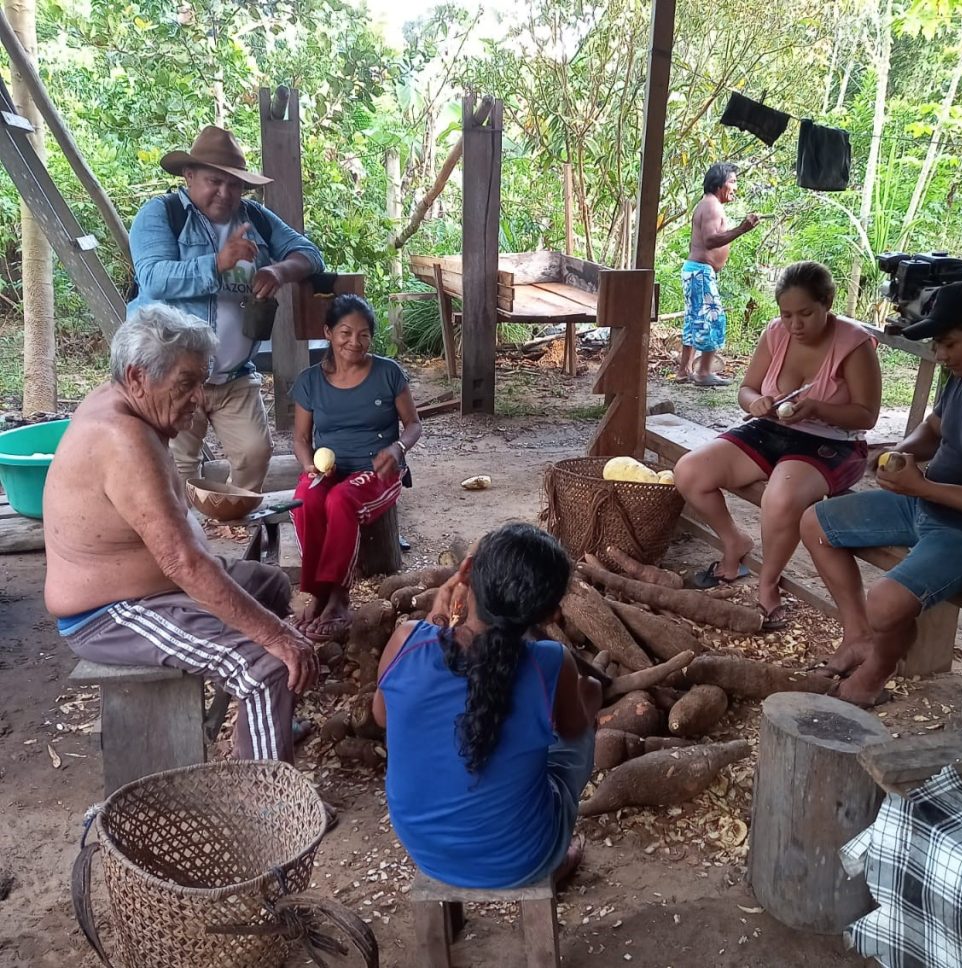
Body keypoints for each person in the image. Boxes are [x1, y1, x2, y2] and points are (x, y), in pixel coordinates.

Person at [43, 304, 318, 762]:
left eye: (201, 382)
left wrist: (267, 623)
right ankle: (270, 808)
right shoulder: (122, 440)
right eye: (186, 384)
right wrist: (274, 636)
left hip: (157, 586)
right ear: (137, 377)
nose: (198, 398)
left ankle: (265, 728)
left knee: (268, 584)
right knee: (266, 663)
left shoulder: (128, 402)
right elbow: (182, 563)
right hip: (111, 612)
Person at [801, 279, 962, 707]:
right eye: (938, 345)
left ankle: (876, 672)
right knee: (815, 523)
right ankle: (859, 637)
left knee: (885, 604)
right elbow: (934, 429)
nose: (940, 355)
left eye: (949, 343)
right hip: (924, 502)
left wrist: (923, 486)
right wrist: (901, 451)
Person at [372, 523, 602, 889]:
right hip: (523, 858)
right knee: (577, 736)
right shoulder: (551, 662)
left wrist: (437, 615)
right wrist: (589, 697)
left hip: (425, 847)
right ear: (548, 616)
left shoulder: (405, 641)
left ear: (465, 574)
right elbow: (572, 731)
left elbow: (382, 716)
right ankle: (555, 860)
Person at [673, 262, 881, 630]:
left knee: (781, 499)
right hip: (772, 428)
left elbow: (866, 416)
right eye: (787, 315)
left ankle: (768, 584)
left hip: (832, 442)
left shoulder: (855, 344)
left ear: (827, 302)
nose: (795, 325)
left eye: (806, 314)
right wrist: (756, 402)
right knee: (689, 471)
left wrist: (817, 407)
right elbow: (746, 389)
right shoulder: (775, 333)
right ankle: (734, 543)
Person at [128, 125, 325, 491]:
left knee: (254, 453)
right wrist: (217, 263)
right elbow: (154, 278)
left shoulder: (256, 220)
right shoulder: (161, 215)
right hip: (173, 374)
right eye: (214, 181)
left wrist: (278, 270)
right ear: (189, 176)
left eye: (234, 184)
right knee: (177, 465)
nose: (225, 192)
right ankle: (187, 536)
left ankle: (232, 518)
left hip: (233, 374)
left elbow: (311, 255)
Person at [291, 295, 422, 641]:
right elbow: (301, 439)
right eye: (345, 333)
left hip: (379, 471)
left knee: (341, 501)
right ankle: (317, 591)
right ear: (329, 333)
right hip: (331, 468)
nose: (354, 342)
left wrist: (397, 448)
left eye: (363, 335)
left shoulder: (388, 373)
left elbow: (413, 425)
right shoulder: (310, 381)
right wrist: (309, 467)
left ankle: (339, 597)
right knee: (306, 497)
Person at [676, 162, 760, 387]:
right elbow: (710, 240)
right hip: (701, 272)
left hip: (697, 272)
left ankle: (684, 371)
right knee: (713, 320)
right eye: (732, 181)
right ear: (718, 184)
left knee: (695, 321)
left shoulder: (709, 204)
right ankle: (703, 373)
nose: (736, 187)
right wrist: (742, 229)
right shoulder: (712, 206)